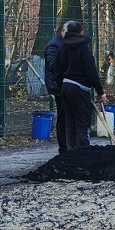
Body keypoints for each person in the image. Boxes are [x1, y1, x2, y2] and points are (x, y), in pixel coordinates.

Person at [54, 21, 107, 149]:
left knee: (70, 123)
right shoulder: (83, 48)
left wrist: (61, 86)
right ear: (80, 32)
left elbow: (57, 70)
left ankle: (71, 153)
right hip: (79, 88)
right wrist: (100, 91)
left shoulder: (62, 48)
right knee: (82, 122)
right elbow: (91, 72)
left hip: (66, 87)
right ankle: (83, 152)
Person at [43, 23, 68, 153]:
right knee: (63, 116)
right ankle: (64, 148)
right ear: (63, 31)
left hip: (63, 85)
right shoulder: (54, 46)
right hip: (58, 86)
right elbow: (53, 66)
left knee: (66, 115)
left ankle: (67, 146)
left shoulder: (62, 44)